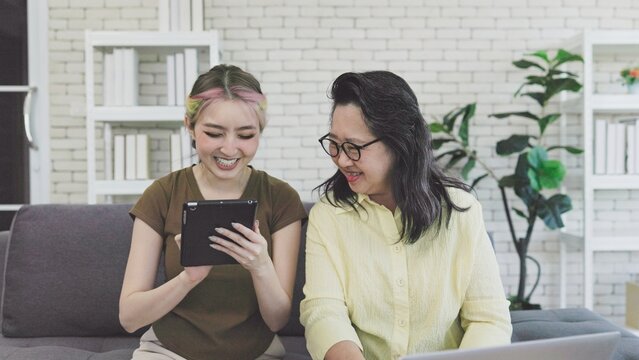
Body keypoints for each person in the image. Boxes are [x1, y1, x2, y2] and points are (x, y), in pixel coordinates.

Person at [300, 71, 512, 360]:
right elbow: (324, 312)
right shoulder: (329, 216)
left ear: (400, 143)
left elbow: (489, 320)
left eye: (354, 147)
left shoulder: (462, 211)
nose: (340, 159)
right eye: (335, 144)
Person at [119, 64, 307, 360]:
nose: (230, 149)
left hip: (256, 352)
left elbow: (277, 320)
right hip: (169, 351)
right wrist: (188, 278)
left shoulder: (280, 198)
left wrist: (260, 266)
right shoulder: (163, 194)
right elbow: (129, 317)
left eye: (246, 135)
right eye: (214, 133)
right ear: (190, 127)